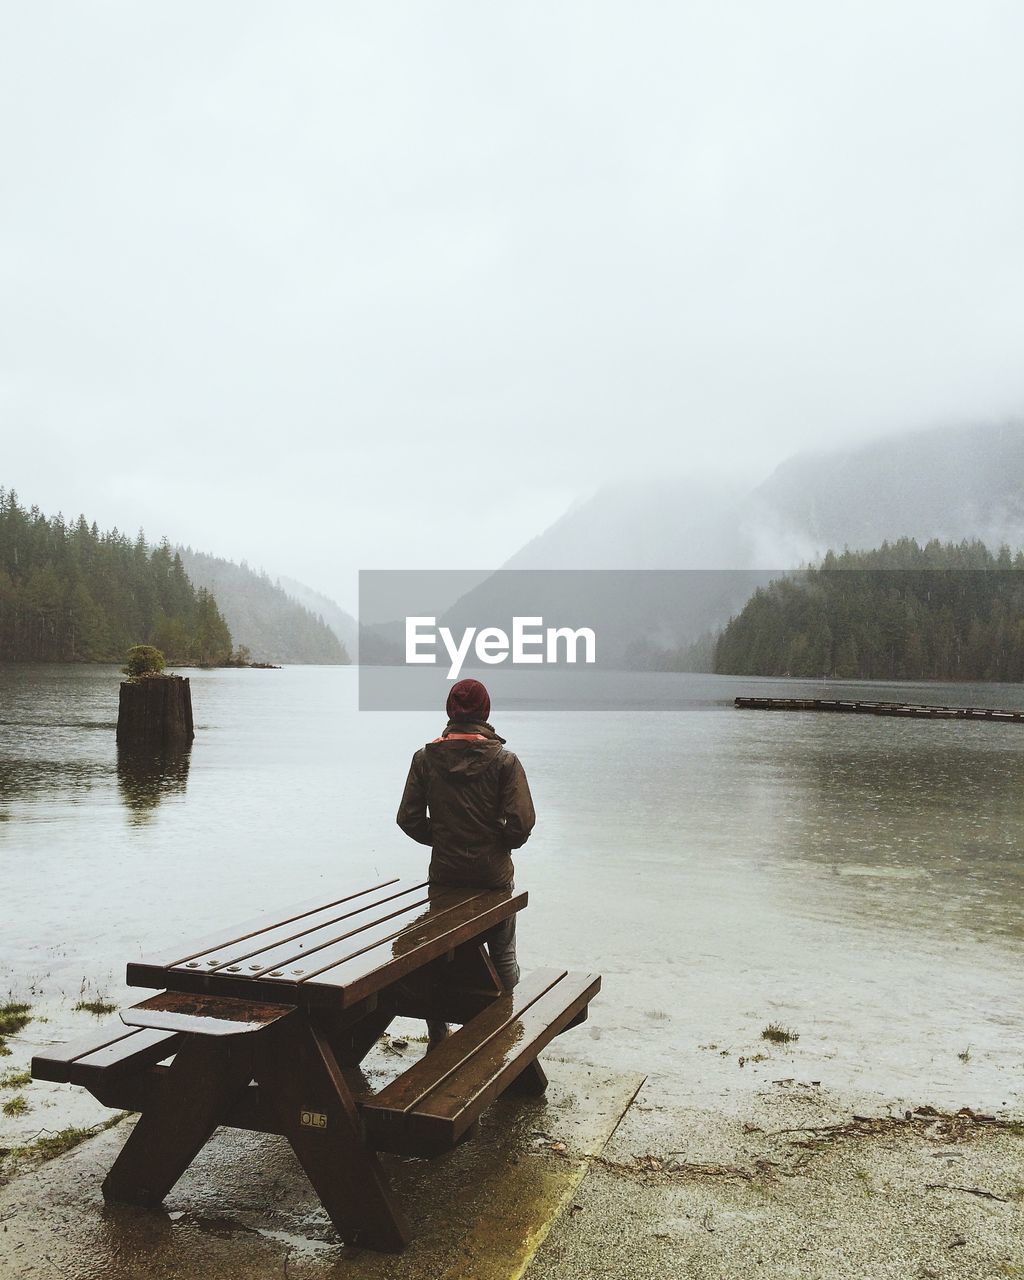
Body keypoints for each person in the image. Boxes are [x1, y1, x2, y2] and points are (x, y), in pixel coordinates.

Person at [396, 677, 536, 1045]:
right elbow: (521, 823)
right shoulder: (504, 761)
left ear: (449, 712)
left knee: (439, 957)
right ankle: (507, 1034)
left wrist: (442, 838)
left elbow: (408, 818)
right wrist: (496, 842)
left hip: (445, 876)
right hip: (492, 878)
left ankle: (438, 1035)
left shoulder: (425, 759)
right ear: (485, 713)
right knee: (503, 956)